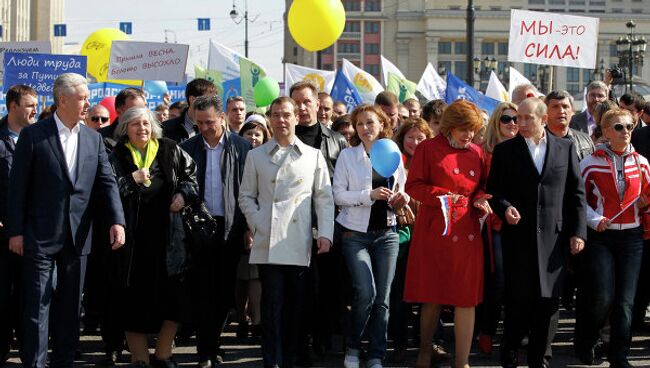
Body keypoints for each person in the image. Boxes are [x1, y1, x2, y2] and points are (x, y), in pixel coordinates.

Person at [7, 73, 126, 368]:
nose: (88, 103)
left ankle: (63, 361)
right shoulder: (34, 136)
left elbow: (106, 182)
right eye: (83, 98)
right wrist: (16, 231)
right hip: (39, 235)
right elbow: (17, 186)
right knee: (38, 304)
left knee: (71, 307)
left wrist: (117, 221)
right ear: (63, 100)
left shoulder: (93, 139)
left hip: (78, 235)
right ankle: (34, 363)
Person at [487, 97, 587, 368]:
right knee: (519, 301)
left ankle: (539, 360)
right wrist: (504, 207)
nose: (520, 122)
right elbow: (494, 192)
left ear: (543, 119)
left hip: (554, 240)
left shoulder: (565, 148)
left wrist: (578, 232)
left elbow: (576, 194)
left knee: (549, 303)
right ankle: (509, 354)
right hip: (518, 238)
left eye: (527, 117)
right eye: (518, 117)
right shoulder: (505, 151)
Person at [238, 96, 334, 368]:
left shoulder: (313, 156)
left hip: (300, 240)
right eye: (276, 114)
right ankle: (272, 359)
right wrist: (259, 222)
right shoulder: (255, 155)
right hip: (268, 240)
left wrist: (325, 233)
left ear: (296, 118)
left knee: (298, 306)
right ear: (270, 119)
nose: (282, 120)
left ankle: (294, 357)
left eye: (286, 114)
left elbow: (324, 198)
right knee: (272, 306)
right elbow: (246, 196)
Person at [404, 100, 491, 368]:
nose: (468, 135)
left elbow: (482, 187)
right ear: (449, 127)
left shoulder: (477, 152)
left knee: (466, 299)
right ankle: (424, 351)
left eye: (472, 130)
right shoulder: (428, 149)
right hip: (435, 232)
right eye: (463, 129)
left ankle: (462, 362)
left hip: (467, 233)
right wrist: (444, 197)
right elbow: (413, 186)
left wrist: (478, 199)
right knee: (433, 296)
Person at [109, 106, 198, 367]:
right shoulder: (117, 154)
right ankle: (139, 358)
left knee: (173, 300)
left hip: (169, 239)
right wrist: (130, 180)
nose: (142, 129)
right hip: (133, 243)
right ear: (125, 128)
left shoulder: (169, 148)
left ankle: (163, 354)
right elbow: (106, 189)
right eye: (136, 124)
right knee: (134, 302)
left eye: (146, 124)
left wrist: (183, 195)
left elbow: (192, 177)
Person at [332, 104, 409, 368]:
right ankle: (353, 347)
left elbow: (403, 189)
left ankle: (377, 354)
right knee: (365, 292)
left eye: (371, 123)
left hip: (387, 234)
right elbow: (338, 195)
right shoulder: (347, 156)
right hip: (355, 234)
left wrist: (402, 198)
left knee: (382, 299)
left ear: (382, 125)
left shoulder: (392, 151)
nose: (365, 128)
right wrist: (369, 195)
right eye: (361, 123)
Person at [575, 109, 650, 368]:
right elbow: (578, 201)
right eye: (619, 127)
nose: (626, 131)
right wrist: (595, 220)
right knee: (603, 296)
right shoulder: (589, 163)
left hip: (632, 238)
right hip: (601, 237)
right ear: (606, 132)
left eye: (629, 126)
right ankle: (586, 339)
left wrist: (645, 203)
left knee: (625, 301)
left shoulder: (642, 162)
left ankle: (619, 355)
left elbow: (648, 199)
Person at [179, 95, 251, 366]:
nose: (204, 128)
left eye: (209, 122)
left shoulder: (242, 148)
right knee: (201, 290)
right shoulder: (187, 148)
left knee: (223, 292)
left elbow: (247, 191)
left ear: (221, 117)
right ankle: (205, 350)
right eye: (199, 123)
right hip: (197, 228)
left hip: (230, 226)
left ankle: (213, 342)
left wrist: (247, 228)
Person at [290, 81, 347, 361]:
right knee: (298, 288)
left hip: (329, 224)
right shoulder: (282, 139)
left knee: (327, 286)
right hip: (292, 225)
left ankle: (323, 338)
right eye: (296, 103)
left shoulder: (337, 140)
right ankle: (300, 341)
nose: (301, 108)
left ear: (317, 104)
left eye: (306, 102)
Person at [387, 117, 433, 363]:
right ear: (402, 139)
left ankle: (428, 342)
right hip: (402, 236)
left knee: (430, 295)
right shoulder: (393, 163)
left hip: (428, 235)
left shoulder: (432, 163)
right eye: (410, 137)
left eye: (420, 137)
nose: (415, 142)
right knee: (399, 293)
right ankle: (399, 343)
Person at [476, 101, 518, 355]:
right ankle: (487, 330)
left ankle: (515, 334)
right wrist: (481, 198)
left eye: (516, 118)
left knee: (520, 282)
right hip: (494, 224)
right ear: (496, 123)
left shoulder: (529, 148)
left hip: (523, 224)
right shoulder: (484, 152)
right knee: (498, 280)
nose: (512, 123)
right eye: (506, 119)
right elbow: (477, 185)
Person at [0, 84, 37, 364]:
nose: (34, 110)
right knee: (4, 296)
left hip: (35, 233)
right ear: (13, 107)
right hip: (2, 235)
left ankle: (30, 354)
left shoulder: (40, 138)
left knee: (31, 297)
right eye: (29, 105)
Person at [234, 119, 270, 340]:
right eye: (249, 134)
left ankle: (257, 321)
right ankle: (241, 318)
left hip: (261, 225)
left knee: (255, 276)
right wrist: (245, 227)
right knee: (240, 277)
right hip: (237, 224)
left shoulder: (268, 157)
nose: (253, 138)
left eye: (258, 134)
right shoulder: (236, 156)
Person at [162, 79, 218, 143]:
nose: (211, 105)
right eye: (207, 100)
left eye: (213, 101)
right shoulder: (166, 129)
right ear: (192, 99)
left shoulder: (216, 129)